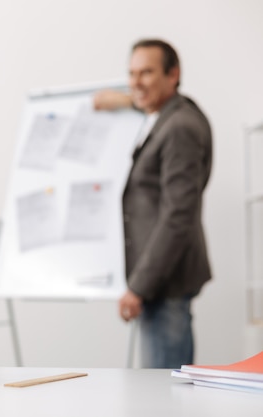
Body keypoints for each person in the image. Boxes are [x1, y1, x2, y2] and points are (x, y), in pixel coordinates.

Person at [94, 39, 213, 368]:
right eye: (132, 74)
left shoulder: (180, 129)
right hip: (162, 281)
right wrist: (122, 100)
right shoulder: (172, 112)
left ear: (173, 74)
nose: (136, 83)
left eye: (146, 72)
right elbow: (144, 100)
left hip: (164, 283)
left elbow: (178, 216)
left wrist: (138, 287)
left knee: (163, 396)